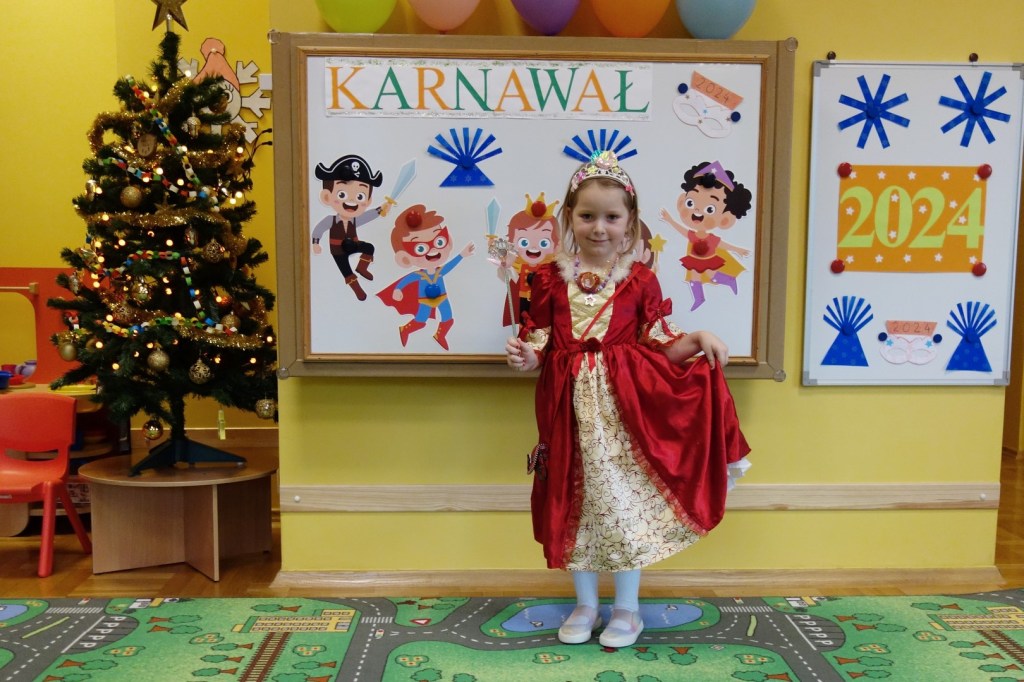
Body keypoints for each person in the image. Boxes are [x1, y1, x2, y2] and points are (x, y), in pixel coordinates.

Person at [505, 151, 750, 649]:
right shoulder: (547, 279)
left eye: (611, 217)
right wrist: (525, 357)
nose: (599, 228)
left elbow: (660, 343)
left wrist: (698, 337)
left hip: (624, 416)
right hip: (566, 412)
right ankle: (585, 604)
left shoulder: (640, 281)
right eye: (587, 215)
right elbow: (540, 345)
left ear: (630, 221)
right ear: (569, 217)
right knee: (573, 503)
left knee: (621, 505)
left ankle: (627, 609)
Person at [378, 204, 475, 350]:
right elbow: (406, 280)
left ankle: (440, 336)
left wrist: (462, 255)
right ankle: (405, 330)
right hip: (425, 300)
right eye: (420, 248)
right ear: (405, 257)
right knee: (421, 320)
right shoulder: (418, 275)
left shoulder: (440, 271)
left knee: (448, 318)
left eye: (439, 241)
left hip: (442, 298)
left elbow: (450, 266)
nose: (433, 250)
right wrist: (398, 289)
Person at [658, 160, 752, 311]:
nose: (697, 211)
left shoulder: (710, 238)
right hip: (694, 259)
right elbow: (681, 230)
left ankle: (729, 280)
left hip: (708, 259)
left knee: (711, 275)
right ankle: (699, 298)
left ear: (725, 219)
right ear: (682, 201)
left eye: (710, 209)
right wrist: (669, 220)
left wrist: (738, 250)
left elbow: (723, 245)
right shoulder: (693, 235)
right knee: (694, 277)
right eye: (690, 203)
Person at [311, 154, 391, 301]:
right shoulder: (331, 220)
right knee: (346, 271)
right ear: (327, 197)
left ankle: (362, 267)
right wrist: (315, 243)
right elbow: (319, 228)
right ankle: (357, 290)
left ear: (368, 200)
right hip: (337, 251)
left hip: (353, 244)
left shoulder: (354, 220)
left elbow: (367, 216)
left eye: (360, 197)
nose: (352, 200)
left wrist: (381, 209)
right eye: (342, 194)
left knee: (369, 248)